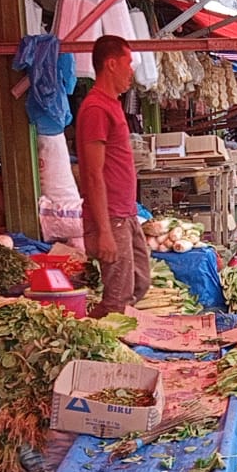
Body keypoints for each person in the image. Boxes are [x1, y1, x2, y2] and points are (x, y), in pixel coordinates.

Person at [76, 35, 149, 317]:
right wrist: (104, 231)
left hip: (125, 214)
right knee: (117, 299)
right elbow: (93, 175)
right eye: (128, 63)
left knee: (140, 282)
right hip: (111, 218)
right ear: (111, 64)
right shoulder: (96, 108)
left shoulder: (112, 104)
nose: (131, 71)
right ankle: (98, 347)